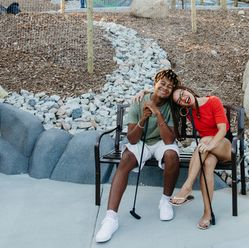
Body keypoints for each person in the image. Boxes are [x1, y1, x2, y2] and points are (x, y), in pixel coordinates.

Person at [95, 69, 181, 243]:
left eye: (170, 86)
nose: (165, 88)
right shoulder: (138, 100)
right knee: (125, 159)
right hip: (141, 142)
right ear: (154, 84)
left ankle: (165, 201)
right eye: (162, 83)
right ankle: (110, 218)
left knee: (172, 155)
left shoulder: (171, 106)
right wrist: (142, 120)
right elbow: (132, 140)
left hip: (160, 143)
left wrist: (157, 113)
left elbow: (169, 139)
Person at [168, 86, 231, 230]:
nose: (183, 98)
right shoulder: (189, 112)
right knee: (207, 165)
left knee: (203, 142)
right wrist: (143, 92)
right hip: (208, 151)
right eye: (180, 100)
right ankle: (207, 214)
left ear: (187, 89)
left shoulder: (213, 101)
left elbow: (222, 130)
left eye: (182, 94)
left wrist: (209, 145)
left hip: (225, 146)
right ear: (181, 106)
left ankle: (187, 187)